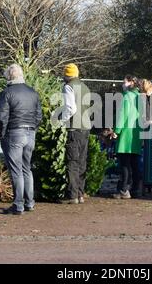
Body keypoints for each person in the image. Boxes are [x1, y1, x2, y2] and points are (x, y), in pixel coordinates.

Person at [0, 64, 42, 215]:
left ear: (9, 76)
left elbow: (2, 117)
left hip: (14, 132)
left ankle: (18, 205)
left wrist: (1, 134)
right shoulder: (33, 93)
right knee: (26, 168)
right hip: (30, 133)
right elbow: (38, 116)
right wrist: (32, 128)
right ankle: (30, 203)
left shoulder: (6, 93)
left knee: (16, 171)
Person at [59, 64, 91, 204]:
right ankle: (80, 194)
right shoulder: (85, 87)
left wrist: (61, 119)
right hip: (85, 128)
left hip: (74, 128)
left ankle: (72, 196)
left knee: (72, 162)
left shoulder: (68, 87)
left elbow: (70, 108)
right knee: (82, 161)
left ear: (66, 75)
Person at [112, 75, 143, 199]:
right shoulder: (139, 97)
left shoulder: (126, 97)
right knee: (135, 164)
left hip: (126, 134)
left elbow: (122, 116)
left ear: (130, 83)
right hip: (136, 134)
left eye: (124, 82)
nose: (122, 84)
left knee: (124, 164)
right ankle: (137, 189)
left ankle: (124, 190)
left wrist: (117, 131)